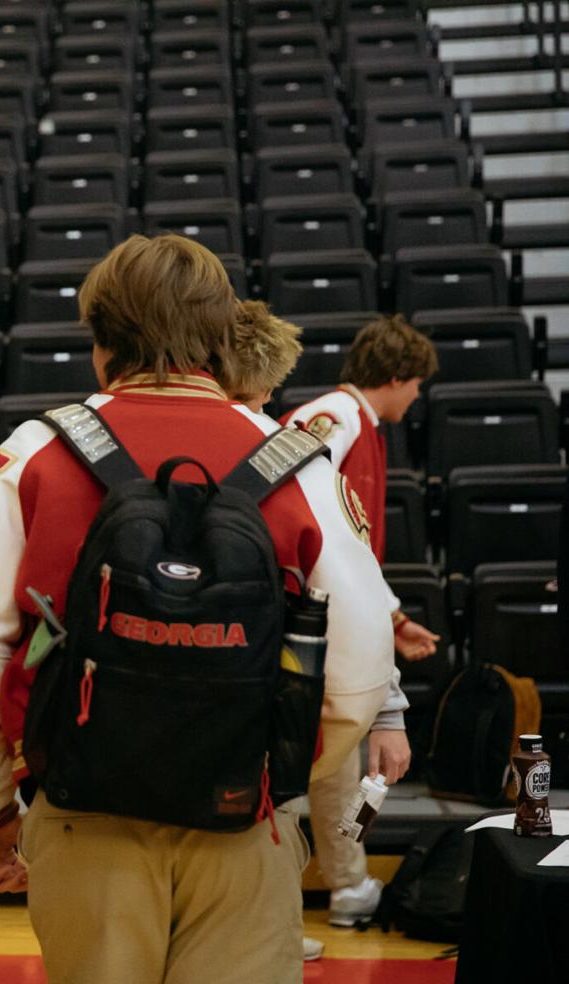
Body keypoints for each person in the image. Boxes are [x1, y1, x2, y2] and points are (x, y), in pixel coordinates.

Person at [0, 234, 402, 984]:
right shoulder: (296, 459)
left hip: (86, 817)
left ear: (101, 339)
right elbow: (361, 663)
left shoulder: (33, 454)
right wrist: (278, 773)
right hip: (244, 818)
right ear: (221, 336)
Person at [281, 315, 441, 930]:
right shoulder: (337, 416)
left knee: (339, 771)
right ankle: (312, 894)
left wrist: (392, 616)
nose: (418, 396)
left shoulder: (359, 424)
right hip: (315, 621)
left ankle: (347, 883)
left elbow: (352, 551)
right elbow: (288, 494)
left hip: (334, 614)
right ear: (397, 376)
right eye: (417, 384)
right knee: (325, 767)